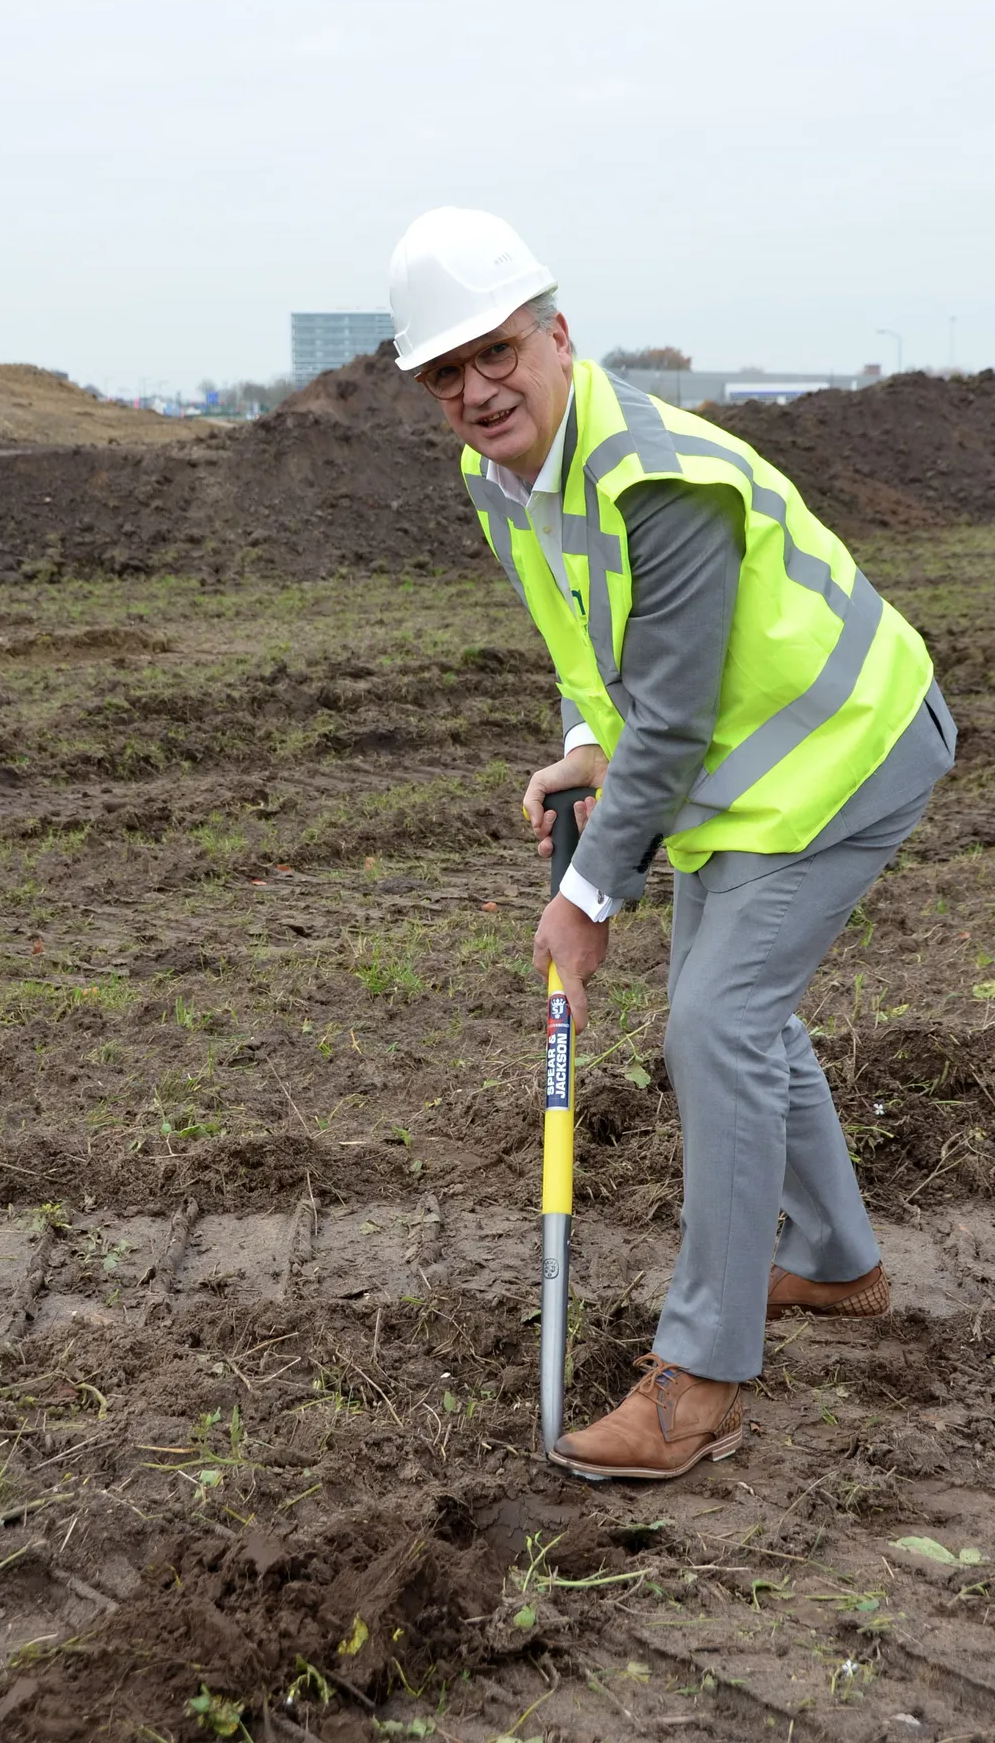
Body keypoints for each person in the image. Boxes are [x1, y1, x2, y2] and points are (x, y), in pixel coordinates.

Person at [387, 207, 955, 1482]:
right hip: (753, 781)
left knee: (714, 1022)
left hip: (846, 746)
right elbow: (598, 657)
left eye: (497, 353)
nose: (477, 391)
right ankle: (831, 1264)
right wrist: (586, 752)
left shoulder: (656, 474)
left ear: (557, 334)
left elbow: (682, 712)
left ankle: (701, 1380)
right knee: (734, 1011)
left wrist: (589, 894)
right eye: (445, 372)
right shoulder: (506, 482)